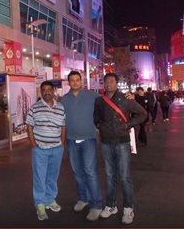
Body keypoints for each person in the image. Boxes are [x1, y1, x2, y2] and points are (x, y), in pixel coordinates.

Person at [94, 73, 147, 225]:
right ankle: (111, 206)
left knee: (124, 177)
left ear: (117, 83)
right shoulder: (99, 101)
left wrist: (128, 124)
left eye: (111, 81)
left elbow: (143, 114)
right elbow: (95, 118)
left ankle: (128, 208)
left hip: (122, 142)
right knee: (110, 176)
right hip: (105, 142)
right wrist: (100, 127)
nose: (109, 84)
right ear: (103, 84)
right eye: (106, 82)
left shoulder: (126, 99)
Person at [60, 71, 103, 221]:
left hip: (88, 139)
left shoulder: (92, 96)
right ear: (69, 82)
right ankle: (83, 198)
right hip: (71, 140)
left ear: (81, 81)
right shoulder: (64, 100)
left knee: (90, 172)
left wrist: (128, 98)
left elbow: (107, 104)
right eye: (72, 80)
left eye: (77, 80)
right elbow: (61, 121)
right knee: (77, 172)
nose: (75, 82)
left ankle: (96, 205)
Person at [26, 81, 66, 221]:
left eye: (49, 89)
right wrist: (33, 144)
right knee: (39, 177)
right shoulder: (35, 108)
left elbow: (63, 126)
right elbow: (29, 126)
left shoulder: (60, 107)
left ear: (54, 91)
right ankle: (40, 204)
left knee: (52, 177)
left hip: (57, 149)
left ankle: (50, 199)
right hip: (40, 150)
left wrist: (62, 143)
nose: (47, 92)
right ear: (41, 92)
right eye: (44, 90)